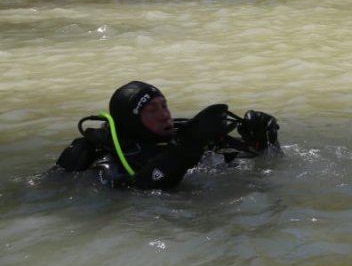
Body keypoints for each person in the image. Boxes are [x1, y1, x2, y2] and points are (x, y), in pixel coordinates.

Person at [54, 81, 280, 189]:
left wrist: (264, 140)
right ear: (131, 121)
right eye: (152, 110)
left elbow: (261, 167)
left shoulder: (182, 139)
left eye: (164, 106)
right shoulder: (106, 162)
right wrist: (187, 146)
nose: (165, 116)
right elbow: (133, 195)